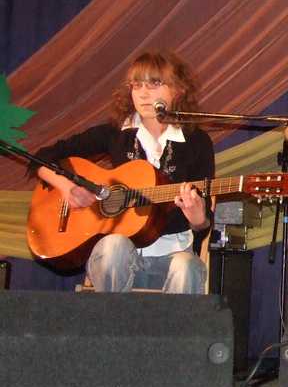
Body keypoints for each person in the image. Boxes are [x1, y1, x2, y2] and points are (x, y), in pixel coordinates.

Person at [34, 50, 214, 293]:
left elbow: (203, 226)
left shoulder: (197, 142)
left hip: (172, 256)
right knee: (113, 247)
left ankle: (173, 321)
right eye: (137, 85)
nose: (143, 93)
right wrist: (68, 188)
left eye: (154, 83)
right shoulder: (116, 134)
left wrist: (197, 218)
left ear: (179, 89)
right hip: (117, 261)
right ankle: (114, 319)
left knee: (187, 267)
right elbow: (42, 158)